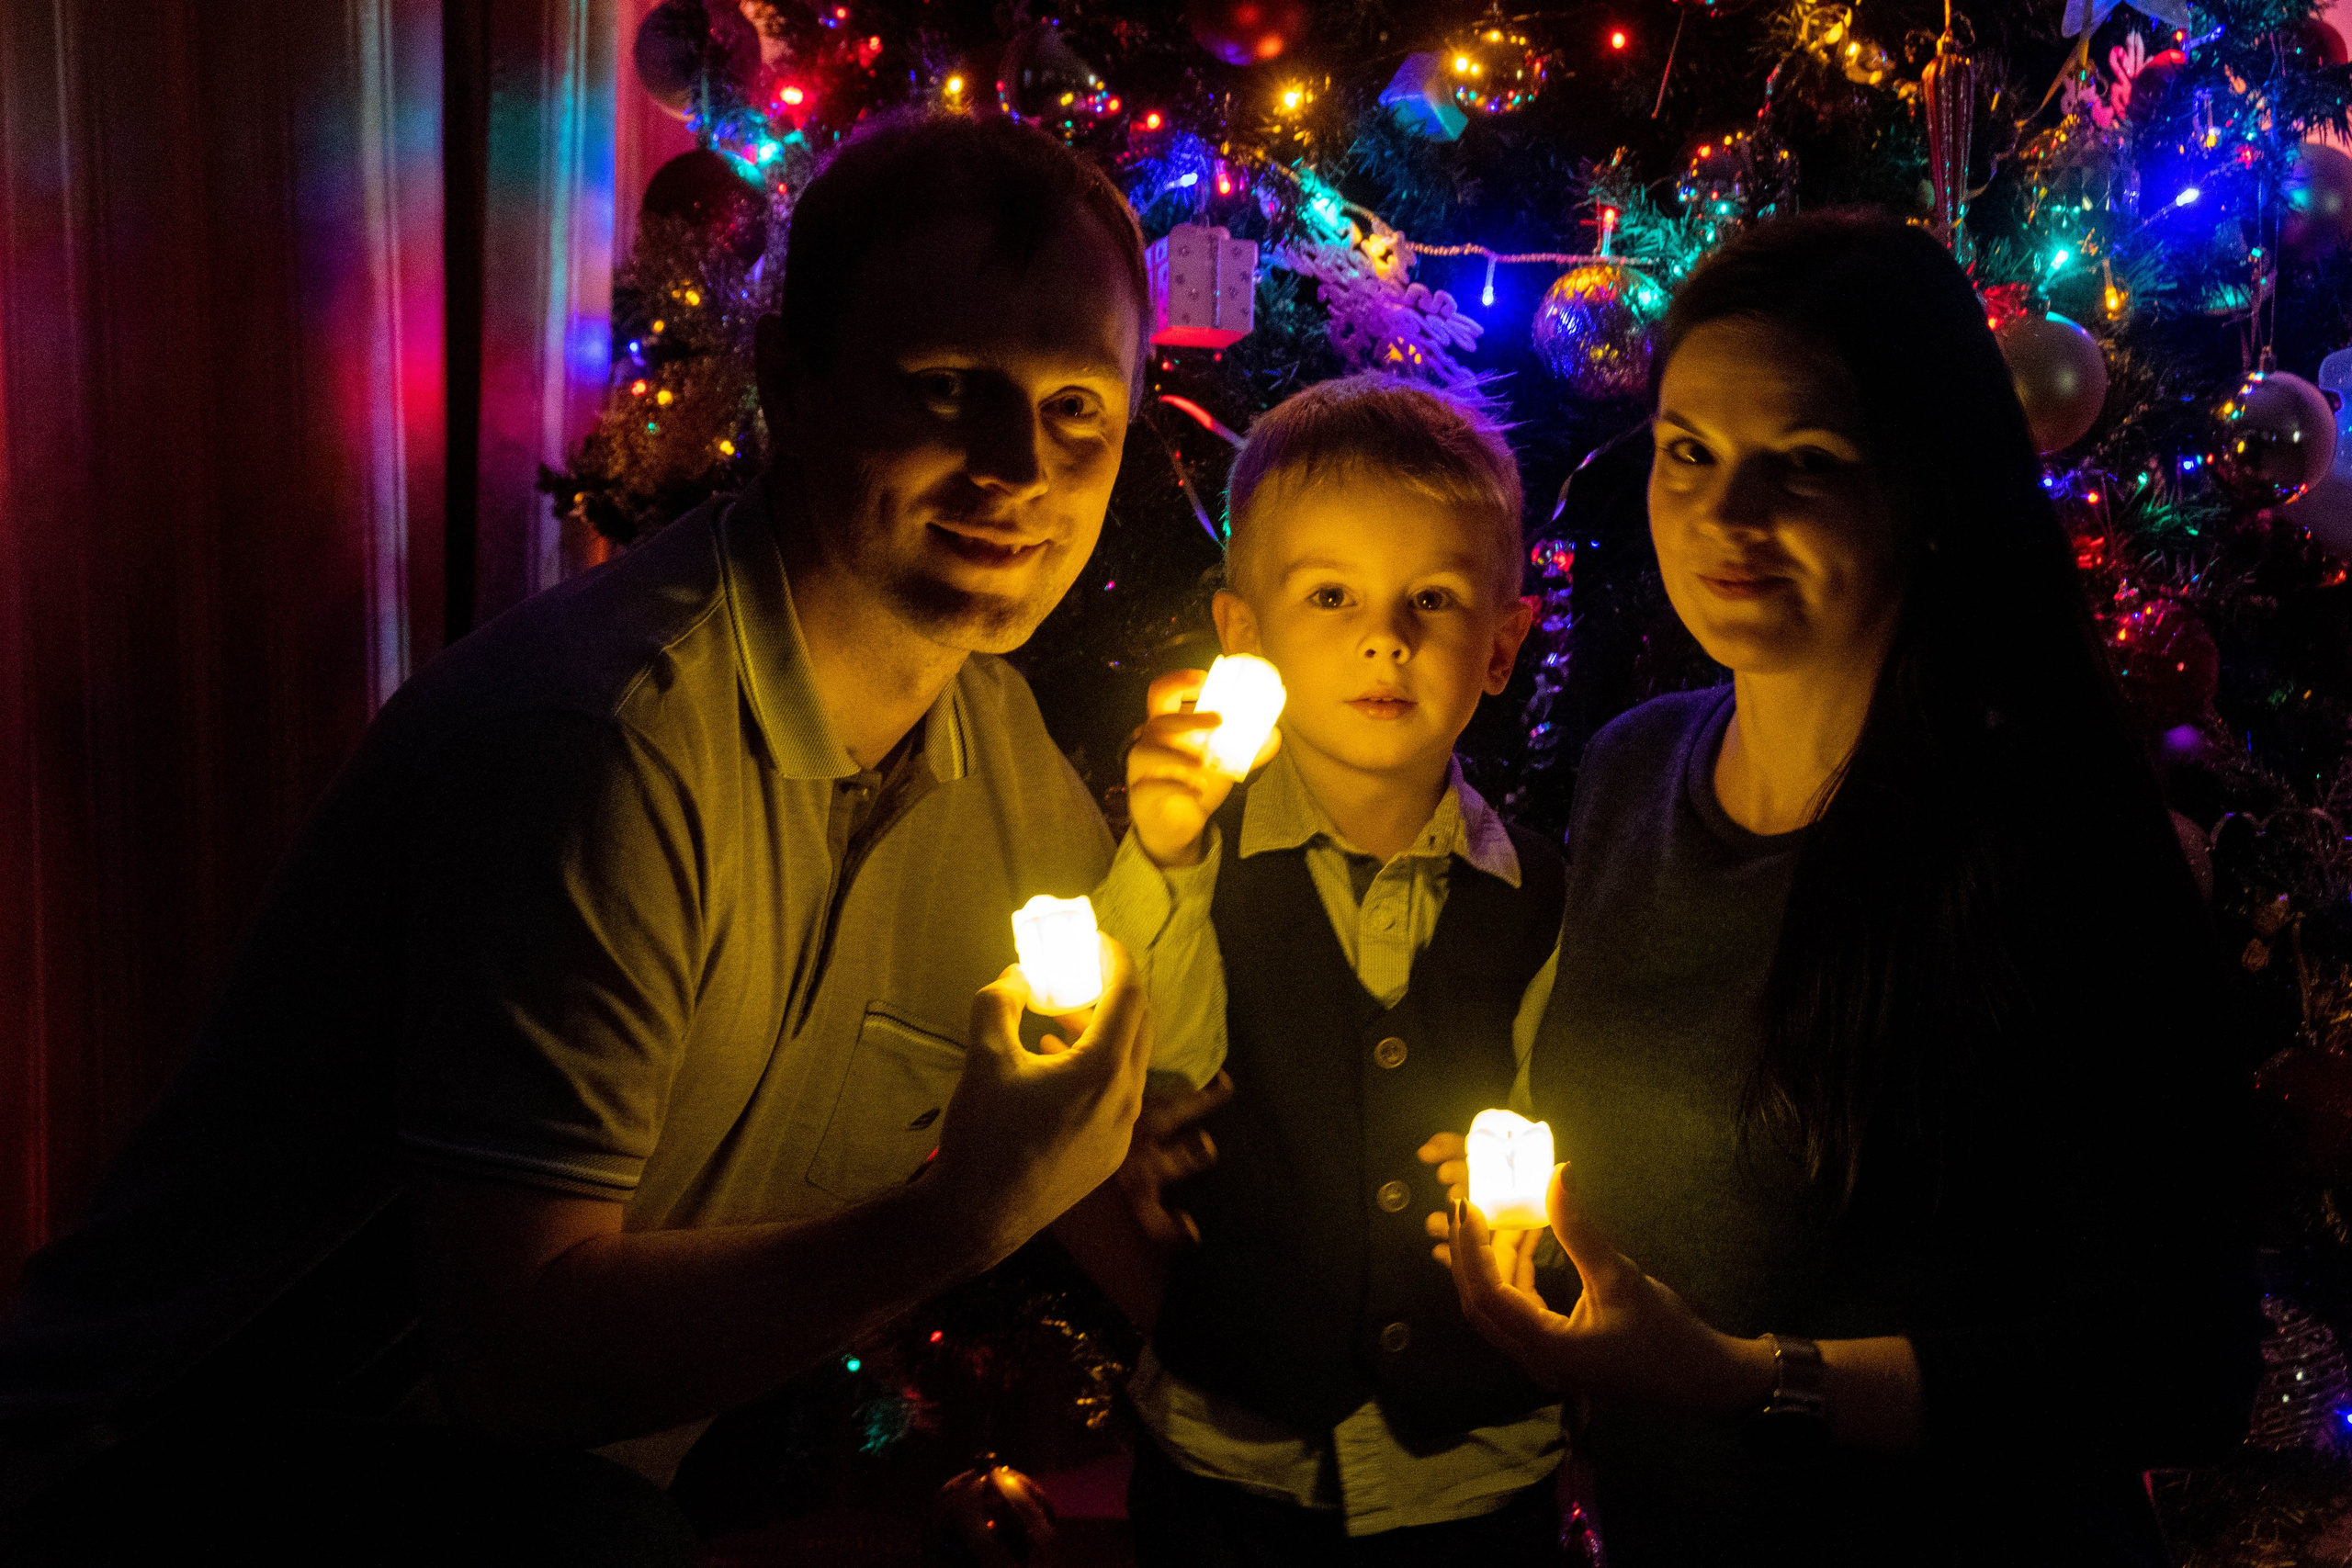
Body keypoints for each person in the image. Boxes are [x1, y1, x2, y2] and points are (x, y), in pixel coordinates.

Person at [0, 110, 1154, 1562]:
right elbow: (517, 1361)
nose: (1020, 465)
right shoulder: (602, 746)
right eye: (946, 390)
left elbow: (1120, 1155)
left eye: (1076, 412)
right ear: (792, 384)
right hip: (178, 1472)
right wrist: (955, 1220)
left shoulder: (997, 763)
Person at [1429, 211, 2262, 1563]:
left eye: (1802, 464)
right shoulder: (1635, 772)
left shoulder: (2049, 846)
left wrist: (1752, 1376)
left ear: (1922, 487)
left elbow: (2181, 1366)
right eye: (1690, 451)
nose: (1724, 517)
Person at [1071, 374, 1568, 1563]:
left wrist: (1543, 1183)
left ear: (1501, 645)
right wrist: (1167, 855)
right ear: (1244, 635)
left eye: (1434, 600)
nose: (1385, 636)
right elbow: (1156, 1061)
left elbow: (1581, 1103)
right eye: (1332, 595)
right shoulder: (1191, 858)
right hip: (1230, 1461)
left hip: (1476, 1474)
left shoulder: (1545, 895)